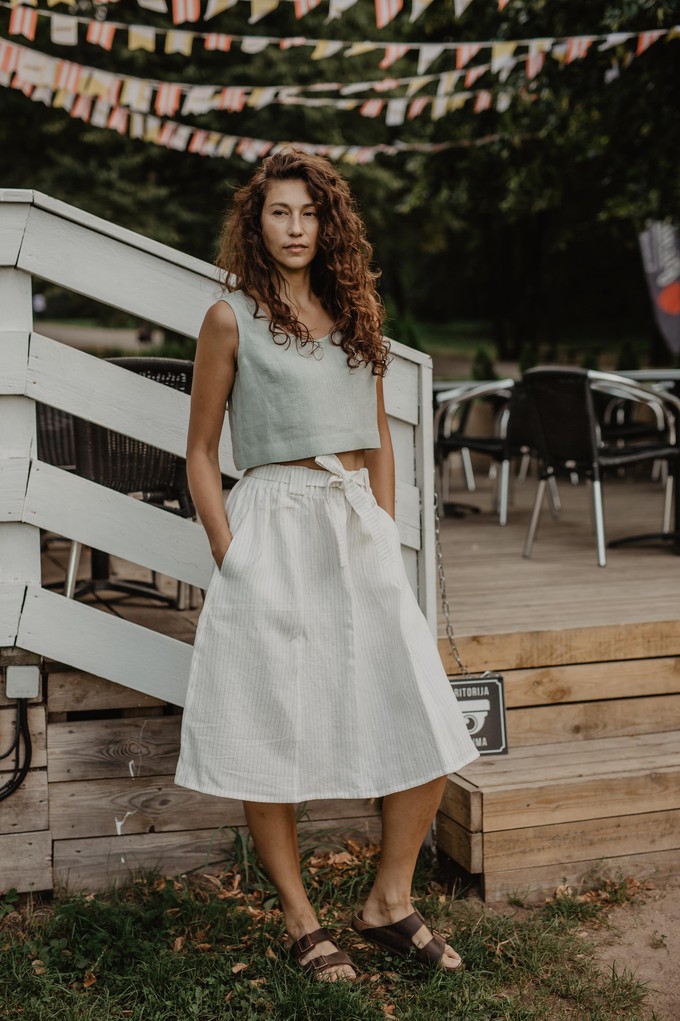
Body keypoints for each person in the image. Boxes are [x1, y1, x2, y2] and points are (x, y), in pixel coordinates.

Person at [174, 150, 479, 982]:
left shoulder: (354, 312)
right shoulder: (229, 316)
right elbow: (201, 452)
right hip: (272, 522)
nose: (295, 227)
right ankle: (300, 916)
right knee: (268, 717)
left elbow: (378, 438)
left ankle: (388, 899)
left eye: (309, 212)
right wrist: (229, 555)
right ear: (256, 221)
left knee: (419, 704)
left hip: (354, 524)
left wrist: (382, 527)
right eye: (279, 212)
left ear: (329, 220)